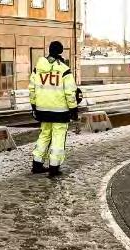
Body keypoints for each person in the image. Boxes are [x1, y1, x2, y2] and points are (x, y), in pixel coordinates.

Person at [28, 41, 79, 177]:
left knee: (44, 135)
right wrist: (73, 109)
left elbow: (32, 89)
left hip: (42, 109)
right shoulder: (64, 69)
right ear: (60, 52)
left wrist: (34, 105)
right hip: (60, 111)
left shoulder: (38, 68)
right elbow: (70, 92)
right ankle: (54, 167)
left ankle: (37, 164)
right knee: (58, 137)